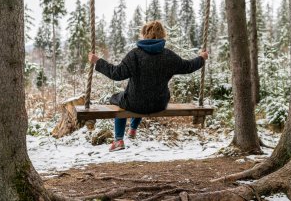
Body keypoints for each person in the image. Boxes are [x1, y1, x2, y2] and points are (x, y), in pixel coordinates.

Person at [88, 20, 208, 152]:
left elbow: (116, 74)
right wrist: (201, 58)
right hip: (159, 103)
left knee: (118, 99)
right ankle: (133, 129)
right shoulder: (168, 55)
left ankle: (118, 140)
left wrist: (98, 61)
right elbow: (188, 66)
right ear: (162, 35)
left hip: (135, 102)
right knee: (141, 95)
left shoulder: (135, 54)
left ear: (145, 34)